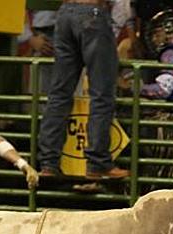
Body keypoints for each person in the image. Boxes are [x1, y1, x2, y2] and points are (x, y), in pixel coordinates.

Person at [37, 0, 129, 181]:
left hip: (64, 13)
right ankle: (97, 163)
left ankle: (48, 163)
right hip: (92, 13)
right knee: (101, 94)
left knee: (59, 94)